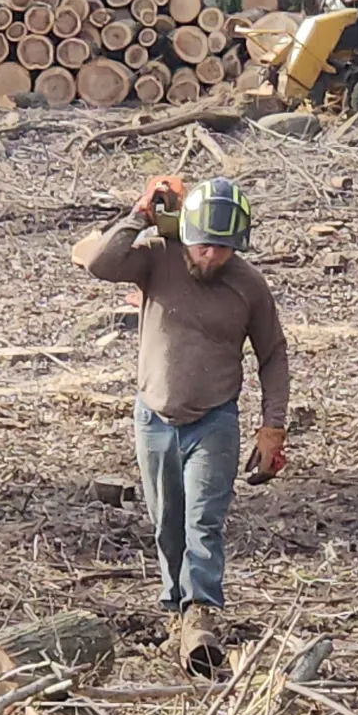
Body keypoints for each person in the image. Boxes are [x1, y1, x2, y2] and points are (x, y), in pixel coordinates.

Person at [73, 177, 289, 674]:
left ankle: (201, 611)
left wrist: (272, 426)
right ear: (184, 230)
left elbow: (273, 354)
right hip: (154, 415)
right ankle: (174, 607)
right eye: (203, 243)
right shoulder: (157, 258)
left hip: (214, 419)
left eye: (222, 247)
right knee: (167, 521)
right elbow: (99, 263)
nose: (210, 255)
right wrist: (140, 214)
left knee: (203, 521)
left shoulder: (248, 285)